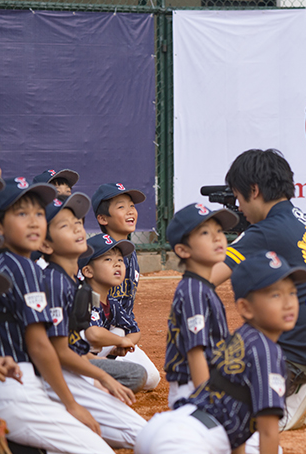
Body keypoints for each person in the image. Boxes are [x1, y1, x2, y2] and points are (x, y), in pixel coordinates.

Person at [211, 149, 306, 431]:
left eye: (239, 199)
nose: (239, 208)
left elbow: (208, 278)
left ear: (254, 190)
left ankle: (284, 397)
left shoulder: (264, 230)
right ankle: (295, 391)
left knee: (220, 367)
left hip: (302, 357)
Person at [0, 176, 114, 453]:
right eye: (21, 214)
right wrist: (71, 405)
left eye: (39, 214)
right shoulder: (23, 267)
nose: (34, 222)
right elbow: (40, 344)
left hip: (3, 382)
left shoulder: (0, 262)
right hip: (15, 387)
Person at [135, 251, 306, 454]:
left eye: (292, 293)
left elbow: (238, 433)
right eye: (276, 295)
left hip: (162, 428)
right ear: (246, 308)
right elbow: (268, 432)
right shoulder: (269, 352)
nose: (288, 303)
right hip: (185, 442)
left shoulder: (241, 338)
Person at [39, 193, 147, 448]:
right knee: (143, 436)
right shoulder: (53, 282)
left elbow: (76, 346)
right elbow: (55, 351)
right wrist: (101, 379)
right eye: (65, 225)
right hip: (58, 378)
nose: (78, 228)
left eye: (78, 223)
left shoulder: (74, 285)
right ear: (45, 244)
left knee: (140, 423)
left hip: (77, 369)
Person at [163, 202, 238, 408]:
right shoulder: (193, 291)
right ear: (183, 250)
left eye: (219, 231)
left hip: (207, 386)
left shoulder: (202, 287)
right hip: (193, 391)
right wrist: (209, 404)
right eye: (205, 233)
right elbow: (196, 353)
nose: (218, 238)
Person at [91, 182, 160, 390]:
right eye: (121, 207)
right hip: (90, 336)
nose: (130, 211)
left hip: (117, 336)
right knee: (119, 334)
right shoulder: (95, 255)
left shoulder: (130, 253)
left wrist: (127, 339)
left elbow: (129, 321)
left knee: (152, 378)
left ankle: (103, 371)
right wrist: (119, 339)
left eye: (132, 206)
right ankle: (86, 371)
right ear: (103, 219)